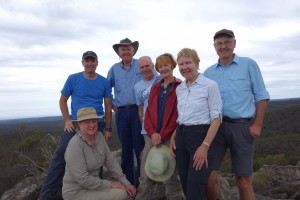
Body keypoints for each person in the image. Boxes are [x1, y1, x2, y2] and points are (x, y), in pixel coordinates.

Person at [204, 29, 270, 200]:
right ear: (214, 47)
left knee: (243, 181)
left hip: (242, 127)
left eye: (227, 42)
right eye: (219, 43)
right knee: (208, 179)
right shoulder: (209, 72)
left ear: (234, 43)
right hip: (215, 128)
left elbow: (261, 96)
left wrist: (257, 125)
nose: (223, 46)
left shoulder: (249, 64)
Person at [38, 51, 113, 200]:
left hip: (97, 122)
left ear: (97, 63)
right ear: (83, 63)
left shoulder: (104, 82)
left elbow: (108, 105)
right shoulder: (73, 79)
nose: (90, 63)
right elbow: (62, 100)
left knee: (97, 157)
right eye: (87, 61)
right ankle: (47, 194)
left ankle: (96, 190)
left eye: (93, 61)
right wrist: (67, 119)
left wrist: (108, 128)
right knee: (61, 155)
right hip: (76, 123)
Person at [169, 48, 222, 200]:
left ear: (197, 63)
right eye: (181, 64)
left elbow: (217, 118)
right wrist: (174, 136)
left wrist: (205, 146)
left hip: (200, 137)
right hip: (181, 136)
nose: (184, 67)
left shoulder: (210, 85)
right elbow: (182, 117)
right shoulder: (180, 89)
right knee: (185, 183)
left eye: (188, 63)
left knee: (196, 185)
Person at [62, 107, 136, 200]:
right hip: (77, 193)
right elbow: (83, 179)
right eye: (87, 122)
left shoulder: (99, 136)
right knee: (122, 193)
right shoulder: (75, 145)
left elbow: (110, 162)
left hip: (94, 187)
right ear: (78, 124)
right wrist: (111, 184)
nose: (92, 125)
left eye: (94, 121)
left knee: (126, 190)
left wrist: (126, 183)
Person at [138, 53, 183, 200]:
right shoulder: (155, 88)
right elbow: (148, 113)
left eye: (166, 65)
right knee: (145, 172)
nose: (164, 68)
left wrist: (161, 135)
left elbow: (178, 116)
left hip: (171, 137)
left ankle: (175, 197)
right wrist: (152, 133)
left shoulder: (180, 87)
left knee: (171, 175)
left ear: (172, 66)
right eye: (161, 66)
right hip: (153, 135)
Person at [107, 38, 145, 186]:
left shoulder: (140, 64)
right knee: (126, 148)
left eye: (128, 49)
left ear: (133, 51)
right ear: (119, 52)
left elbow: (156, 79)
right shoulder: (114, 69)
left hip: (138, 111)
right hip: (122, 113)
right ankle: (128, 184)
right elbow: (106, 89)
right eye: (123, 49)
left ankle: (144, 183)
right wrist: (111, 104)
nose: (126, 52)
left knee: (140, 147)